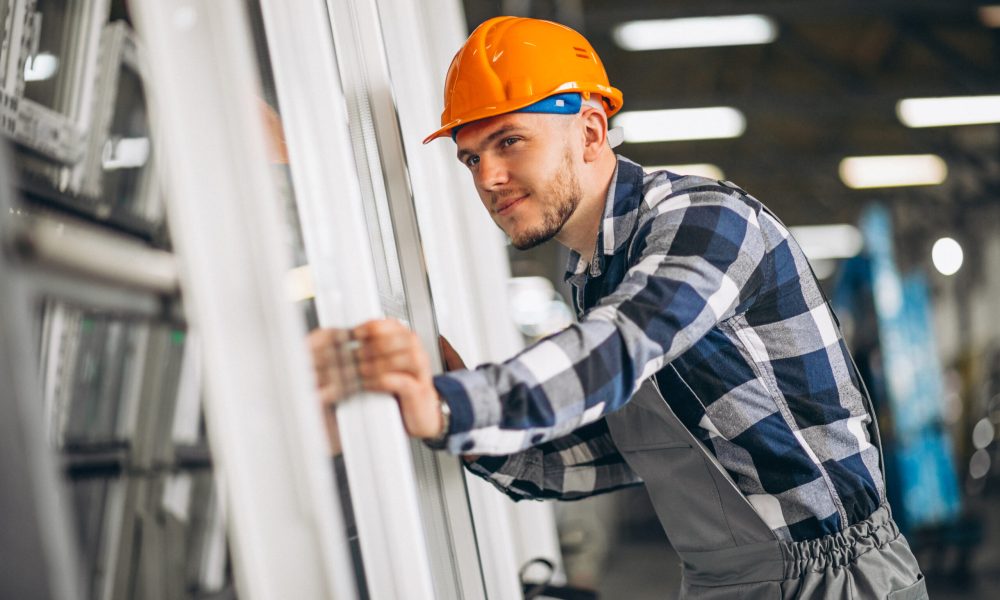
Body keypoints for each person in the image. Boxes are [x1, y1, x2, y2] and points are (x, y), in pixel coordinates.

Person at [310, 16, 927, 599]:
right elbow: (620, 454)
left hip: (834, 580)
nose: (488, 177)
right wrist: (470, 434)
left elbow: (624, 344)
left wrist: (453, 405)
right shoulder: (594, 277)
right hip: (725, 581)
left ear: (590, 131)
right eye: (471, 157)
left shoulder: (703, 220)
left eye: (509, 141)